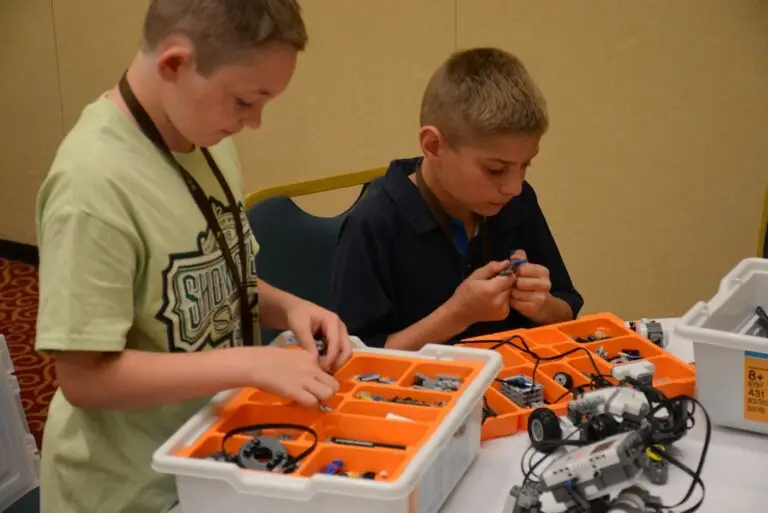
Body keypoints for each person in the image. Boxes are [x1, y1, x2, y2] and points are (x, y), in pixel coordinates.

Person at [34, 2, 354, 512]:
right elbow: (83, 378)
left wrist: (289, 306)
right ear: (175, 64)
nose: (254, 123)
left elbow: (208, 277)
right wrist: (247, 363)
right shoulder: (90, 188)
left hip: (208, 456)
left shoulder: (201, 136)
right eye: (246, 101)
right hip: (130, 489)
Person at [329, 47, 584, 351]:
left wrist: (542, 307)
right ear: (433, 145)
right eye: (496, 169)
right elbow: (355, 360)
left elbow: (567, 311)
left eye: (526, 165)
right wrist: (457, 315)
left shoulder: (517, 202)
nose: (514, 187)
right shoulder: (374, 223)